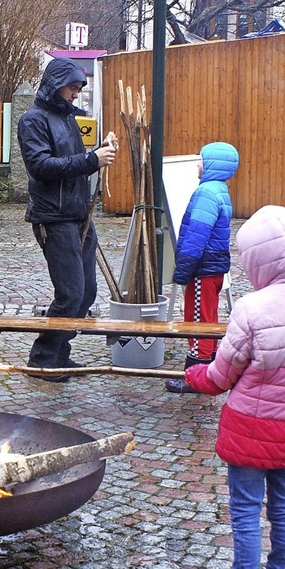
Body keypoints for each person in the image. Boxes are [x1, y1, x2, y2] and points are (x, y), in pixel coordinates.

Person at [184, 205, 285, 568]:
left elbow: (219, 378)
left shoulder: (251, 310)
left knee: (244, 511)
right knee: (284, 510)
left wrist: (193, 375)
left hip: (249, 430)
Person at [17, 57, 117, 382]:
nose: (76, 94)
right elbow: (41, 167)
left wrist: (99, 151)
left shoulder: (69, 119)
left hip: (78, 215)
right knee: (71, 292)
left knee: (87, 292)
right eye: (73, 87)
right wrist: (91, 159)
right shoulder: (33, 120)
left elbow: (74, 162)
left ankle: (60, 354)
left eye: (78, 88)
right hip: (53, 217)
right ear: (56, 84)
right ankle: (43, 358)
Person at [165, 142, 239, 393]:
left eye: (202, 160)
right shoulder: (219, 190)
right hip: (215, 269)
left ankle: (194, 378)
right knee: (209, 319)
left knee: (196, 322)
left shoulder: (206, 193)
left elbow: (197, 236)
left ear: (213, 166)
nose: (198, 164)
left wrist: (183, 271)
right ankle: (212, 370)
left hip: (203, 270)